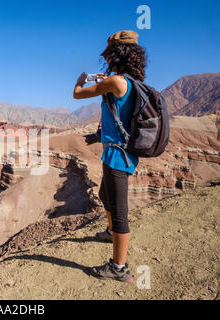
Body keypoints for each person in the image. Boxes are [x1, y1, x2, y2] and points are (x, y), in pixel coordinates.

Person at [73, 30, 147, 282]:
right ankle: (109, 231)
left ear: (117, 55)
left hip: (119, 156)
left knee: (119, 210)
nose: (105, 60)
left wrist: (81, 79)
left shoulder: (117, 82)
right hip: (115, 153)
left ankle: (119, 268)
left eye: (108, 55)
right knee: (105, 196)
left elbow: (78, 94)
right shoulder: (126, 82)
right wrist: (106, 83)